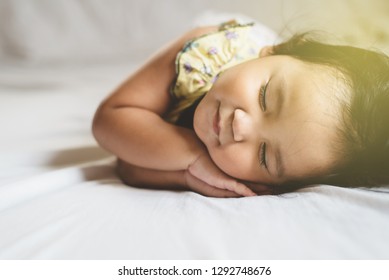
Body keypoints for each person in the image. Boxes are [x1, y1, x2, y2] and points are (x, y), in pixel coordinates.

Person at [92, 20, 389, 198]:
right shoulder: (204, 52)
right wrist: (193, 157)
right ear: (276, 52)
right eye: (264, 97)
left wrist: (187, 176)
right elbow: (110, 120)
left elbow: (128, 164)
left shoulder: (244, 173)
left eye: (264, 155)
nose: (240, 127)